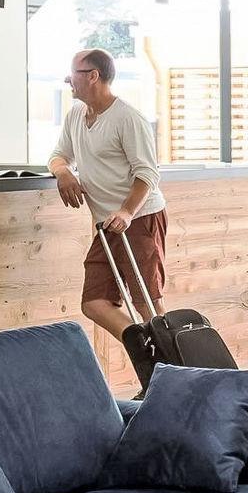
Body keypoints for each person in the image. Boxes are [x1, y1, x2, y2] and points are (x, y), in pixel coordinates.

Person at [51, 48, 169, 336]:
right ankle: (142, 348)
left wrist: (127, 211)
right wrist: (63, 173)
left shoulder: (128, 118)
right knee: (94, 302)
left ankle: (172, 361)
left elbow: (147, 173)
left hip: (139, 217)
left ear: (93, 76)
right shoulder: (75, 115)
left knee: (148, 303)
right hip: (107, 226)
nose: (68, 80)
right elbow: (58, 155)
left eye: (73, 73)